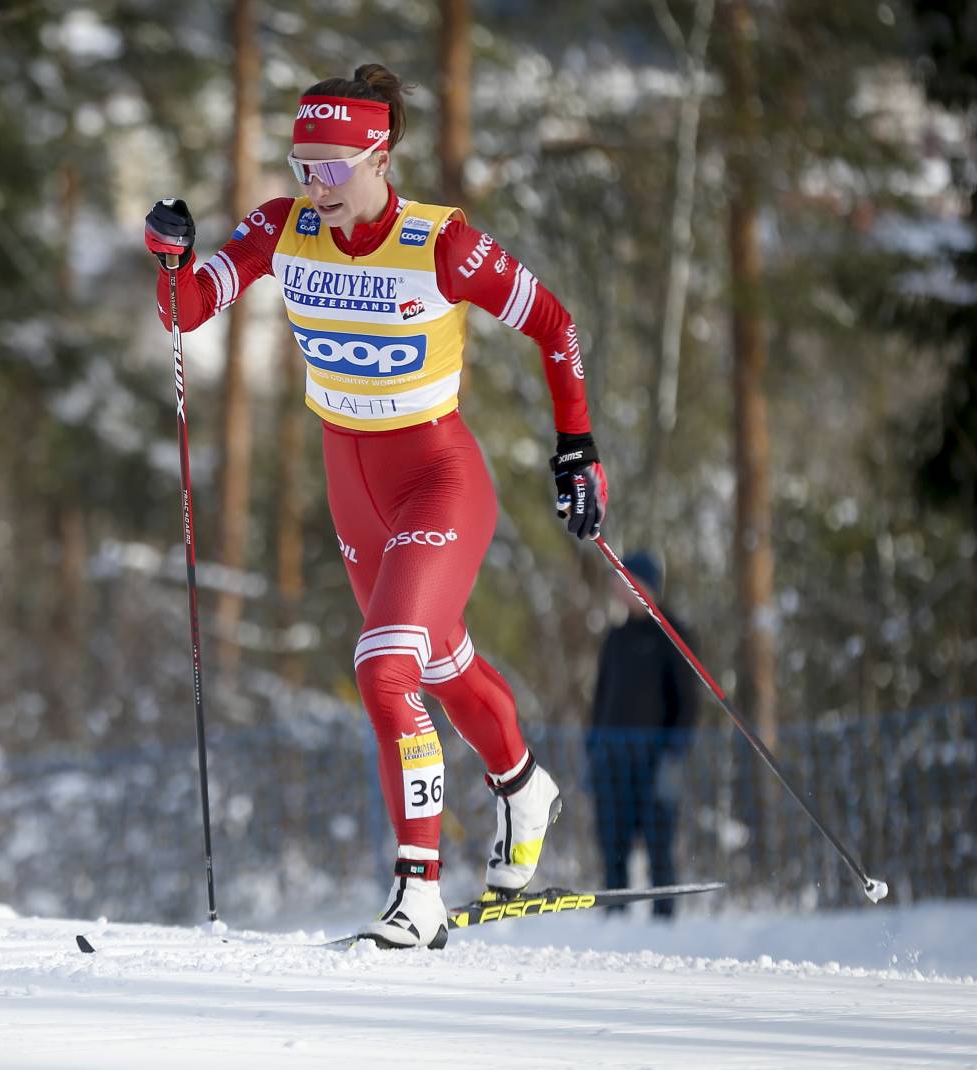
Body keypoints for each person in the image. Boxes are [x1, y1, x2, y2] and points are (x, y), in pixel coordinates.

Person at [144, 63, 606, 947]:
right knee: (434, 663)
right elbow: (191, 309)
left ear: (379, 155)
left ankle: (417, 893)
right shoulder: (284, 228)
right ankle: (521, 782)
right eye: (299, 164)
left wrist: (576, 447)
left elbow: (557, 324)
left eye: (328, 166)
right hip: (349, 483)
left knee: (383, 667)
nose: (310, 185)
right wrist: (170, 259)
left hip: (437, 474)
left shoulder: (443, 244)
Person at [587, 551, 698, 917]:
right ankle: (613, 916)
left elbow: (687, 701)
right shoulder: (615, 637)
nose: (617, 587)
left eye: (623, 579)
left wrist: (675, 753)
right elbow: (601, 697)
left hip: (655, 758)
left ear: (643, 584)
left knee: (658, 844)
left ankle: (664, 920)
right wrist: (594, 748)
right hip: (612, 759)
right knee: (612, 841)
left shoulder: (673, 632)